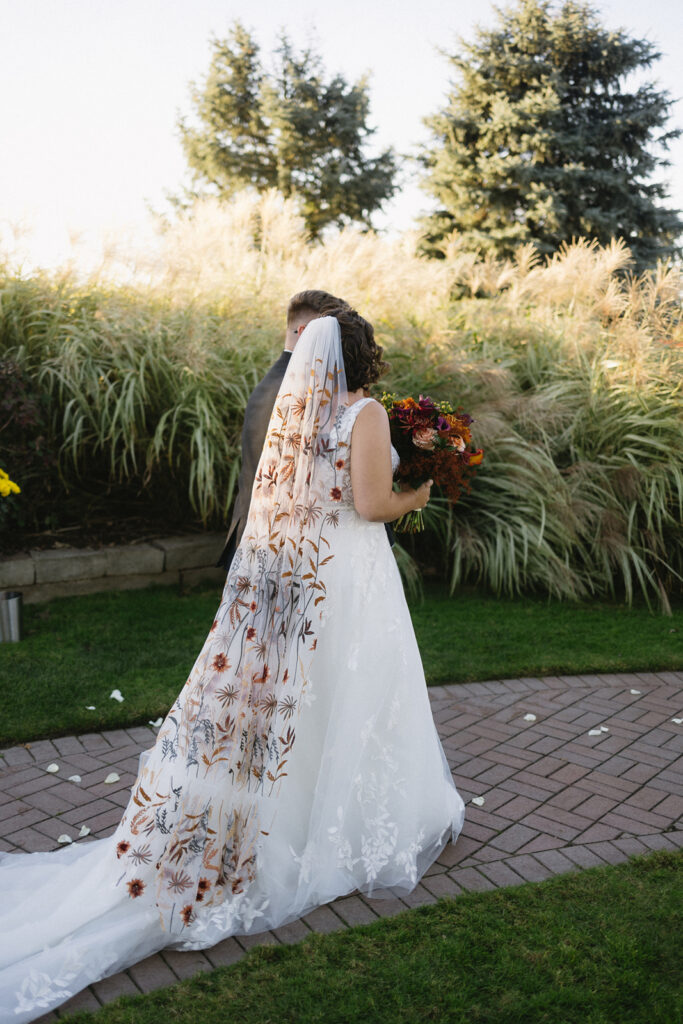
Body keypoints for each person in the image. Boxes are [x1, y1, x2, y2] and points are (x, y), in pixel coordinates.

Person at [0, 311, 465, 1023]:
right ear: (362, 356)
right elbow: (371, 503)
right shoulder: (364, 413)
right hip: (344, 578)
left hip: (290, 580)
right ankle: (325, 824)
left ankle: (290, 814)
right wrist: (420, 491)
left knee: (299, 703)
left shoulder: (293, 410)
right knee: (353, 694)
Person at [216, 289, 394, 571]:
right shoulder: (296, 388)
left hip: (281, 540)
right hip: (282, 546)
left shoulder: (295, 381)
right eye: (331, 335)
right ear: (305, 331)